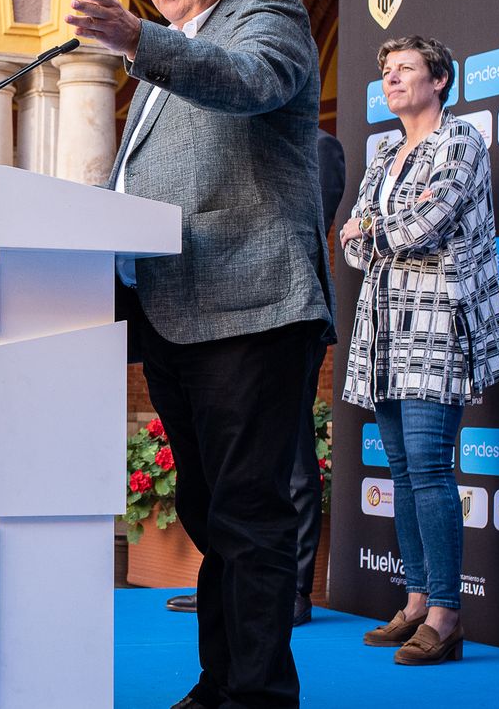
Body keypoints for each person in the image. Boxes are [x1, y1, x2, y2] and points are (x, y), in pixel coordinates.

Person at [67, 0, 333, 709]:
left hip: (253, 304)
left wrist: (139, 40)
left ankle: (258, 695)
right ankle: (222, 681)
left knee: (249, 513)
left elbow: (249, 84)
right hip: (177, 310)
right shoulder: (167, 56)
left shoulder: (268, 19)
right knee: (212, 511)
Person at [340, 35, 499, 665]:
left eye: (406, 69)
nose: (392, 78)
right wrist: (375, 234)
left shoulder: (460, 141)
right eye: (386, 70)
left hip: (438, 324)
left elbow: (423, 226)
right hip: (383, 331)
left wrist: (373, 231)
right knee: (404, 471)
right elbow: (352, 243)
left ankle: (446, 615)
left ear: (439, 80)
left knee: (432, 469)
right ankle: (414, 604)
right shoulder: (385, 151)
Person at [168, 128, 345, 626]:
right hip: (225, 321)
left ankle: (292, 592)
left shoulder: (316, 143)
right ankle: (231, 584)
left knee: (290, 456)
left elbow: (303, 224)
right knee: (227, 462)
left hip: (286, 318)